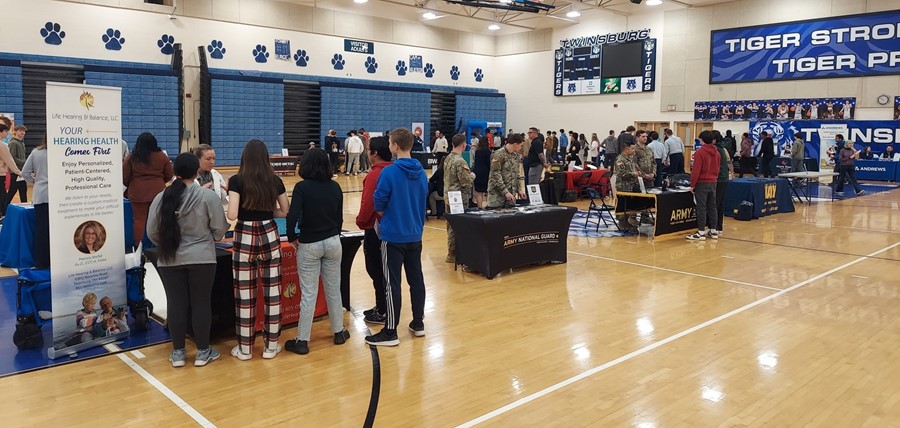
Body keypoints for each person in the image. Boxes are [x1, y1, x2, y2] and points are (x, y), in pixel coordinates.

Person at [147, 153, 228, 367]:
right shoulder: (208, 197)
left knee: (176, 304)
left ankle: (178, 354)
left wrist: (170, 244)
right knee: (201, 303)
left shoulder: (161, 197)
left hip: (169, 258)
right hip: (202, 258)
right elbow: (220, 232)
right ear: (197, 171)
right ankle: (203, 352)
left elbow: (151, 233)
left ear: (175, 171)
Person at [227, 139, 290, 360]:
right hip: (269, 234)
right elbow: (285, 211)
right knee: (272, 293)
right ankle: (271, 347)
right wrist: (266, 209)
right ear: (266, 158)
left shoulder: (236, 180)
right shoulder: (275, 180)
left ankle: (245, 349)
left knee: (245, 295)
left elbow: (232, 215)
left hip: (244, 235)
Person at [365, 128, 428, 346]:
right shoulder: (421, 172)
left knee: (392, 283)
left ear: (395, 146)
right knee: (416, 279)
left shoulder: (389, 173)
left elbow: (379, 203)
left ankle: (390, 331)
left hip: (393, 236)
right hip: (415, 234)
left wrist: (388, 216)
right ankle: (418, 322)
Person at [282, 149, 348, 355]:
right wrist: (334, 233)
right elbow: (339, 217)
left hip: (310, 243)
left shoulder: (302, 187)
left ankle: (302, 340)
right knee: (333, 289)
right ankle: (339, 332)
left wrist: (291, 236)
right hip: (333, 241)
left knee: (309, 293)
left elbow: (292, 216)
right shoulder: (335, 186)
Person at [356, 136, 392, 325]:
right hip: (395, 230)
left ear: (374, 153)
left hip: (376, 230)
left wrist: (361, 221)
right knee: (386, 271)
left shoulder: (375, 175)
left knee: (376, 270)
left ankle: (382, 310)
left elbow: (368, 203)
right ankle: (385, 307)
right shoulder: (395, 170)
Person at [124, 132, 174, 248]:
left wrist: (131, 184)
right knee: (159, 219)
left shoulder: (132, 156)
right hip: (158, 192)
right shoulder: (161, 156)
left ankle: (138, 248)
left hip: (137, 192)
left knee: (139, 220)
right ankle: (160, 246)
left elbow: (124, 176)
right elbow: (169, 174)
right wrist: (160, 181)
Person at [444, 134, 475, 263]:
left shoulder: (447, 158)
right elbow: (466, 183)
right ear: (464, 145)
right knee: (459, 226)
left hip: (448, 196)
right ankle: (457, 253)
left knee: (451, 226)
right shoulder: (460, 161)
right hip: (459, 198)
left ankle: (451, 252)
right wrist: (472, 176)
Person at [686, 130, 721, 241]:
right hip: (713, 182)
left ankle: (701, 232)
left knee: (701, 207)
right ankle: (714, 231)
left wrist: (692, 185)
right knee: (713, 207)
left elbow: (696, 170)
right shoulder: (718, 153)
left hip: (702, 183)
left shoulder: (700, 153)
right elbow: (718, 168)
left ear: (702, 140)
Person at [22, 139, 50, 268]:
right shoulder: (63, 152)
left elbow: (25, 173)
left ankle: (41, 262)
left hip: (41, 195)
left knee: (42, 230)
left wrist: (37, 182)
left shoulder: (36, 152)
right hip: (59, 196)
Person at [487, 133, 526, 208]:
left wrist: (519, 190)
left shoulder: (516, 156)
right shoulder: (498, 154)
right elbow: (495, 175)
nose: (521, 148)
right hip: (497, 196)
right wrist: (505, 192)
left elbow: (516, 174)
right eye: (520, 145)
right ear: (515, 144)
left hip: (511, 196)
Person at [0, 123, 23, 218]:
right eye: (6, 131)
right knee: (3, 196)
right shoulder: (3, 145)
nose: (7, 133)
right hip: (0, 175)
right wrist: (19, 172)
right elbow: (9, 161)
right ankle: (3, 215)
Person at [713, 131, 733, 237]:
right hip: (724, 178)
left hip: (718, 179)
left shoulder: (715, 150)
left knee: (715, 204)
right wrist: (732, 173)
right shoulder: (724, 149)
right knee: (720, 203)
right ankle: (719, 227)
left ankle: (714, 227)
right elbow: (729, 162)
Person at [6, 125, 27, 203]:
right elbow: (12, 158)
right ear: (15, 131)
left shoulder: (22, 143)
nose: (22, 132)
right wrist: (24, 162)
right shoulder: (13, 143)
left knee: (23, 191)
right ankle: (3, 209)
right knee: (12, 191)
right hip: (15, 172)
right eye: (20, 130)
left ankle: (25, 208)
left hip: (21, 172)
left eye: (24, 131)